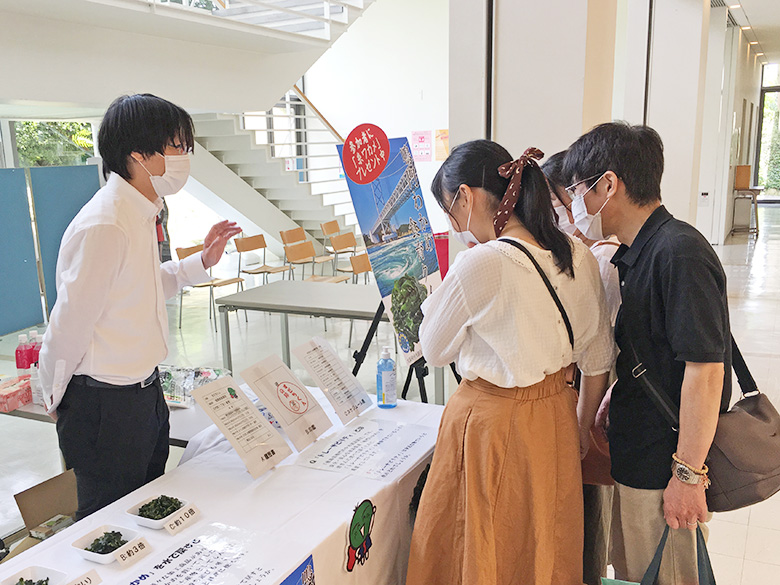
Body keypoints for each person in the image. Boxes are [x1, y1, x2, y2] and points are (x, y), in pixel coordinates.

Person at [406, 140, 615, 585]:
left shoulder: (482, 262)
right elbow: (596, 358)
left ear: (466, 197)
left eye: (449, 210)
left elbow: (435, 347)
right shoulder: (579, 254)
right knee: (544, 541)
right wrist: (579, 429)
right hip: (557, 418)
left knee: (480, 543)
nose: (456, 225)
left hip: (492, 423)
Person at [38, 93, 242, 520]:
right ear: (138, 155)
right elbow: (69, 323)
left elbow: (144, 289)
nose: (184, 156)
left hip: (143, 395)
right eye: (175, 146)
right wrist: (55, 392)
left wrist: (202, 261)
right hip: (105, 406)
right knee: (109, 520)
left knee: (147, 510)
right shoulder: (106, 224)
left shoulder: (140, 210)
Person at [562, 122, 731, 585]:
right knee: (638, 572)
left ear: (609, 185)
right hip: (640, 461)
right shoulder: (639, 252)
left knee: (667, 573)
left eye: (578, 190)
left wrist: (688, 477)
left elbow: (705, 371)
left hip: (664, 470)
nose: (576, 206)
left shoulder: (678, 253)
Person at [543, 151, 621, 585]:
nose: (559, 215)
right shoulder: (582, 259)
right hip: (586, 407)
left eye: (564, 201)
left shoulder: (602, 261)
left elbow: (597, 352)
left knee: (588, 518)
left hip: (590, 408)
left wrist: (582, 423)